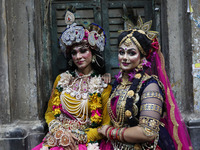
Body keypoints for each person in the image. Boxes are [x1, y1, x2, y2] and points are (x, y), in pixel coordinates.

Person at [98, 16, 193, 150]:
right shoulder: (118, 83)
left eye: (131, 53)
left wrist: (110, 132)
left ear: (143, 57)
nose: (124, 58)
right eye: (121, 52)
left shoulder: (150, 85)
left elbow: (148, 132)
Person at [32, 9, 112, 150]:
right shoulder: (62, 79)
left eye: (83, 50)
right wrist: (59, 132)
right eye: (74, 53)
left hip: (83, 142)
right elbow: (50, 112)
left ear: (93, 53)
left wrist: (79, 137)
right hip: (57, 138)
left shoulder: (103, 85)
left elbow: (104, 125)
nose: (78, 56)